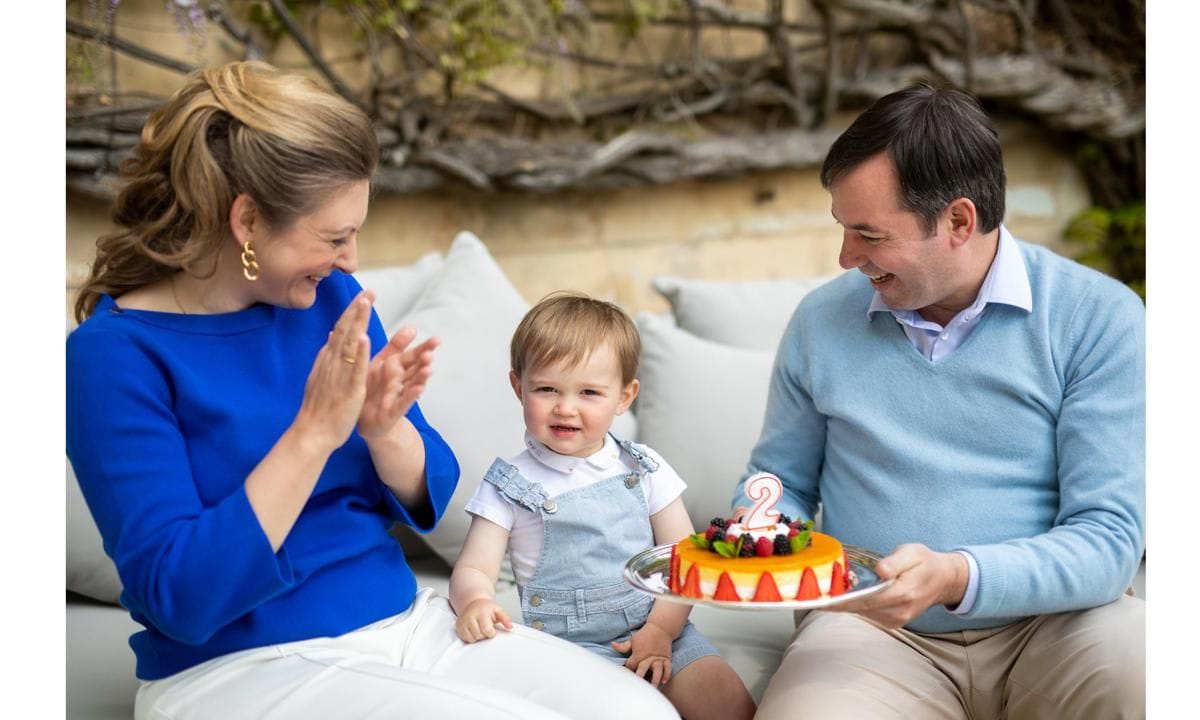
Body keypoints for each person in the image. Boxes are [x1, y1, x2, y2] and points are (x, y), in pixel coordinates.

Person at [66, 60, 681, 720]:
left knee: (640, 712)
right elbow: (180, 600)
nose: (352, 260)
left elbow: (433, 486)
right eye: (335, 236)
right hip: (237, 668)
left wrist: (385, 429)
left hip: (402, 620)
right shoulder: (112, 356)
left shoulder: (329, 298)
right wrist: (312, 435)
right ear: (247, 221)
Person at [734, 83, 1145, 719]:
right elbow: (778, 481)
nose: (846, 258)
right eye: (843, 230)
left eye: (868, 235)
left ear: (958, 220)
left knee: (1153, 674)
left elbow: (1108, 539)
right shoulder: (819, 321)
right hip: (871, 633)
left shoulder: (1100, 318)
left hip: (1056, 628)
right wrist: (758, 527)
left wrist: (957, 575)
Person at [449, 292, 757, 720]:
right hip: (569, 651)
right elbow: (474, 569)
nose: (565, 407)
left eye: (589, 392)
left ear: (625, 397)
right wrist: (475, 602)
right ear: (518, 387)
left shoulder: (645, 468)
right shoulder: (510, 485)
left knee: (727, 700)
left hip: (664, 628)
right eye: (546, 388)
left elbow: (685, 560)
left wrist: (660, 631)